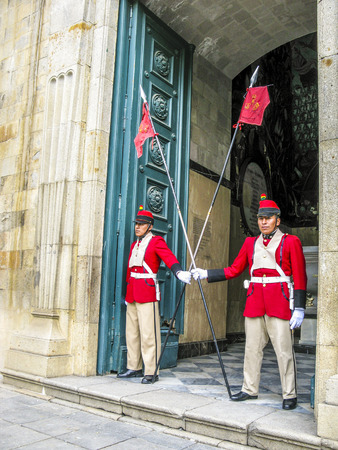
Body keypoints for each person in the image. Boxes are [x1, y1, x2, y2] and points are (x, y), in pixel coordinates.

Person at [191, 194, 307, 410]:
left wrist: (299, 307)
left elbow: (300, 275)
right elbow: (234, 269)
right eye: (261, 218)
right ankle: (249, 388)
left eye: (268, 218)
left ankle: (289, 393)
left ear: (277, 220)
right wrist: (206, 273)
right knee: (252, 349)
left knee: (284, 350)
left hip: (280, 302)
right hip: (255, 302)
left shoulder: (291, 241)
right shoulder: (249, 243)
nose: (263, 222)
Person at [117, 206, 191, 384]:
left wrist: (178, 272)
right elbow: (130, 269)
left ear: (150, 226)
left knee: (149, 334)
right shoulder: (135, 244)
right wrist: (128, 291)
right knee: (132, 333)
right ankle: (133, 367)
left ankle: (151, 371)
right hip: (133, 292)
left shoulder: (156, 241)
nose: (137, 227)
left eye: (142, 224)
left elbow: (168, 257)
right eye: (137, 224)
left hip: (147, 290)